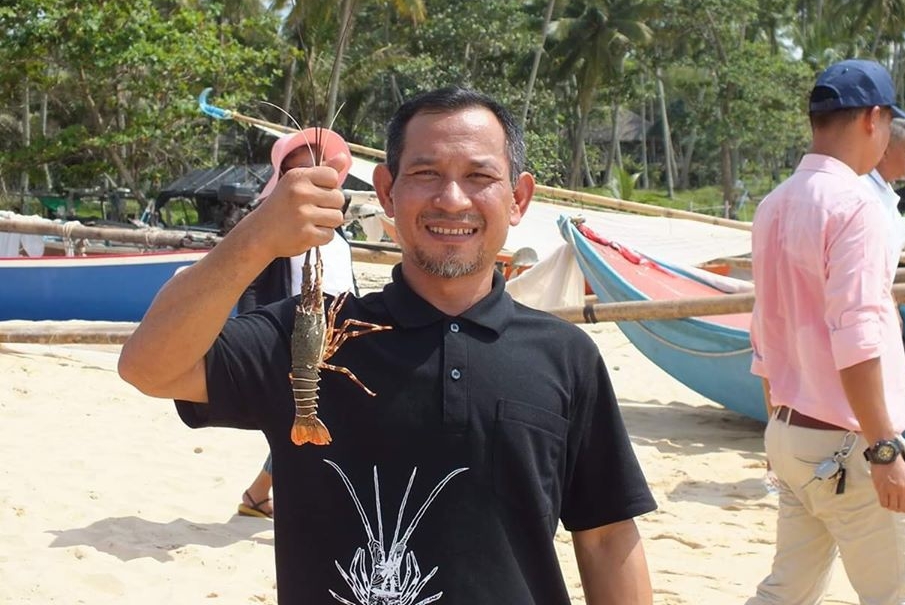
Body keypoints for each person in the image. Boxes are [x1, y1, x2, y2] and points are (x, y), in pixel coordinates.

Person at [118, 86, 656, 604]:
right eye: (425, 173)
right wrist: (256, 236)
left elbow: (607, 535)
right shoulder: (311, 331)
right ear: (385, 192)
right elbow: (149, 367)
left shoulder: (567, 356)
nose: (452, 199)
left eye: (479, 177)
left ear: (517, 199)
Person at [747, 60, 905, 605]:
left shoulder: (772, 205)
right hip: (848, 442)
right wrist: (883, 448)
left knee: (789, 590)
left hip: (789, 430)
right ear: (874, 119)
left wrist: (776, 425)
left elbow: (765, 332)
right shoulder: (856, 207)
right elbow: (857, 335)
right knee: (900, 595)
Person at [237, 127, 358, 519]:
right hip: (291, 345)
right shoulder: (273, 235)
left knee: (319, 420)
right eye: (301, 171)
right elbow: (251, 289)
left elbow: (348, 289)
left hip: (331, 338)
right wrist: (260, 336)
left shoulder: (339, 237)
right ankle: (265, 495)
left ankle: (258, 495)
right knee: (301, 422)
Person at [861, 118, 905, 383]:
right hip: (868, 311)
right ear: (885, 150)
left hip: (883, 304)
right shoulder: (864, 194)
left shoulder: (883, 193)